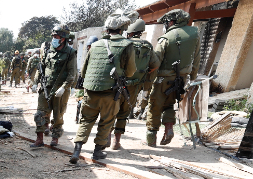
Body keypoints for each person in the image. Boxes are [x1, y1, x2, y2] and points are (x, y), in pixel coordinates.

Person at [70, 12, 136, 163]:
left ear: (107, 29)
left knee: (86, 120)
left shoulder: (95, 45)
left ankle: (76, 151)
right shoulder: (127, 45)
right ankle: (97, 152)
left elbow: (84, 70)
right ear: (123, 29)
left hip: (90, 91)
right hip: (110, 93)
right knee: (106, 121)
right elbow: (131, 71)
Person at [145, 9, 200, 147]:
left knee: (154, 107)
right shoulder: (195, 35)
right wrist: (192, 76)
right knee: (169, 104)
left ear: (172, 21)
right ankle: (169, 128)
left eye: (167, 22)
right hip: (181, 79)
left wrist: (148, 80)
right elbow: (197, 57)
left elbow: (156, 62)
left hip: (162, 79)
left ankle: (151, 139)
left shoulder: (166, 38)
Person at [111, 19, 160, 149]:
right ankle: (116, 141)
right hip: (135, 85)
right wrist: (145, 72)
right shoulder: (148, 46)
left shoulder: (124, 43)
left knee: (111, 111)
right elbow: (155, 65)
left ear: (130, 32)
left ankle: (105, 139)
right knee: (124, 112)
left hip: (117, 83)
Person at [31, 25, 77, 148]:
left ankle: (55, 139)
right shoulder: (47, 50)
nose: (54, 39)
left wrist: (65, 87)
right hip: (45, 87)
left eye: (56, 37)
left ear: (63, 38)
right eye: (53, 37)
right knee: (39, 114)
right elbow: (41, 68)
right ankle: (39, 139)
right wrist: (35, 82)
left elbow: (72, 73)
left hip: (60, 90)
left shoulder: (70, 53)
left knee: (58, 116)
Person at [74, 36, 99, 124]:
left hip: (94, 82)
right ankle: (79, 117)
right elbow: (83, 70)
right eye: (89, 46)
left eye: (90, 46)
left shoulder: (99, 55)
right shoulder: (88, 55)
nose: (89, 48)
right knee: (81, 100)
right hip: (85, 80)